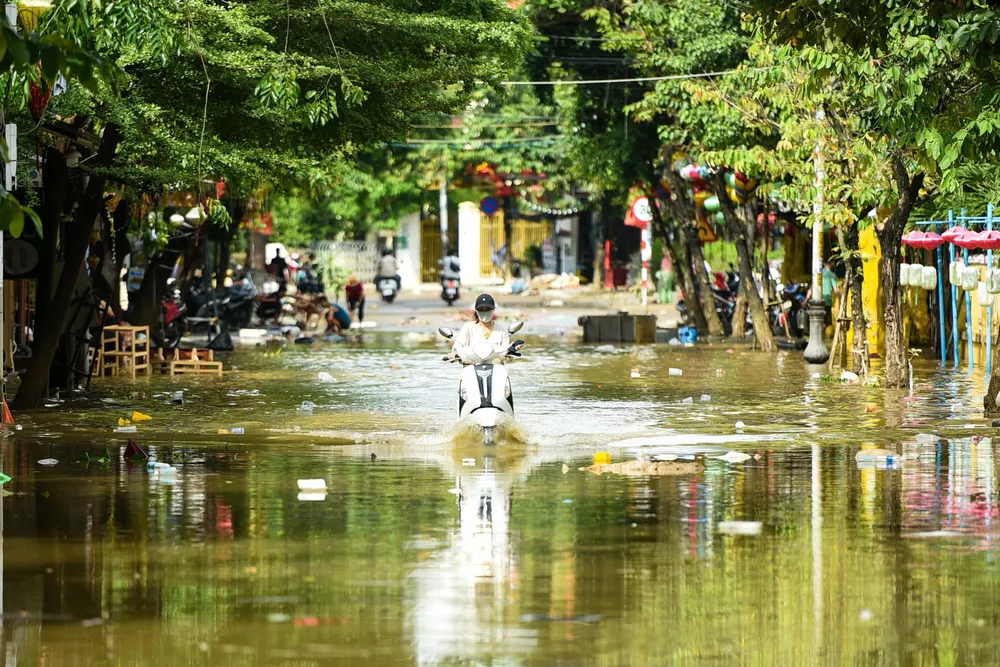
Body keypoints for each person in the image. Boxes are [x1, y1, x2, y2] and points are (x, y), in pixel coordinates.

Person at [446, 294, 512, 362]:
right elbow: (458, 347)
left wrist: (512, 350)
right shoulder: (468, 328)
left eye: (488, 309)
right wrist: (453, 354)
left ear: (493, 309)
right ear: (476, 311)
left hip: (495, 366)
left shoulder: (501, 330)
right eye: (481, 309)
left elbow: (507, 353)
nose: (485, 312)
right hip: (471, 365)